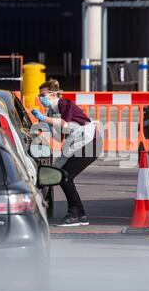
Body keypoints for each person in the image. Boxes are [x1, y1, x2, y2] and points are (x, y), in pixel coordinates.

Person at [31, 79, 103, 227]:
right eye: (40, 95)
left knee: (65, 176)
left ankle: (73, 214)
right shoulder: (51, 111)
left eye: (43, 95)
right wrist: (45, 127)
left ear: (53, 94)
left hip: (90, 142)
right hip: (77, 143)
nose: (41, 98)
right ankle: (80, 214)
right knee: (63, 175)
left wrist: (43, 119)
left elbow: (64, 124)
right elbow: (59, 136)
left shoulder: (65, 104)